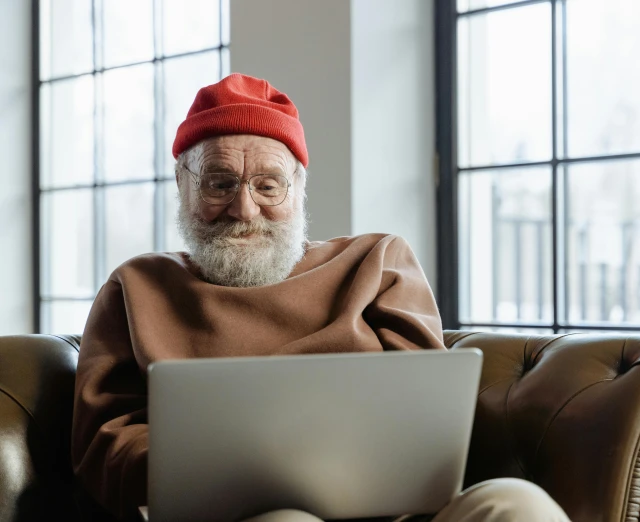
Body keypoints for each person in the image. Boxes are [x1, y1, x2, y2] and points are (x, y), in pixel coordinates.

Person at [71, 74, 570, 522]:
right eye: (220, 183)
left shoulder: (377, 262)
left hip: (397, 516)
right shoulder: (135, 288)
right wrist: (218, 474)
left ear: (299, 189)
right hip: (239, 518)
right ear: (183, 185)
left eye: (268, 185)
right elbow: (104, 445)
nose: (244, 208)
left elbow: (428, 416)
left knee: (515, 503)